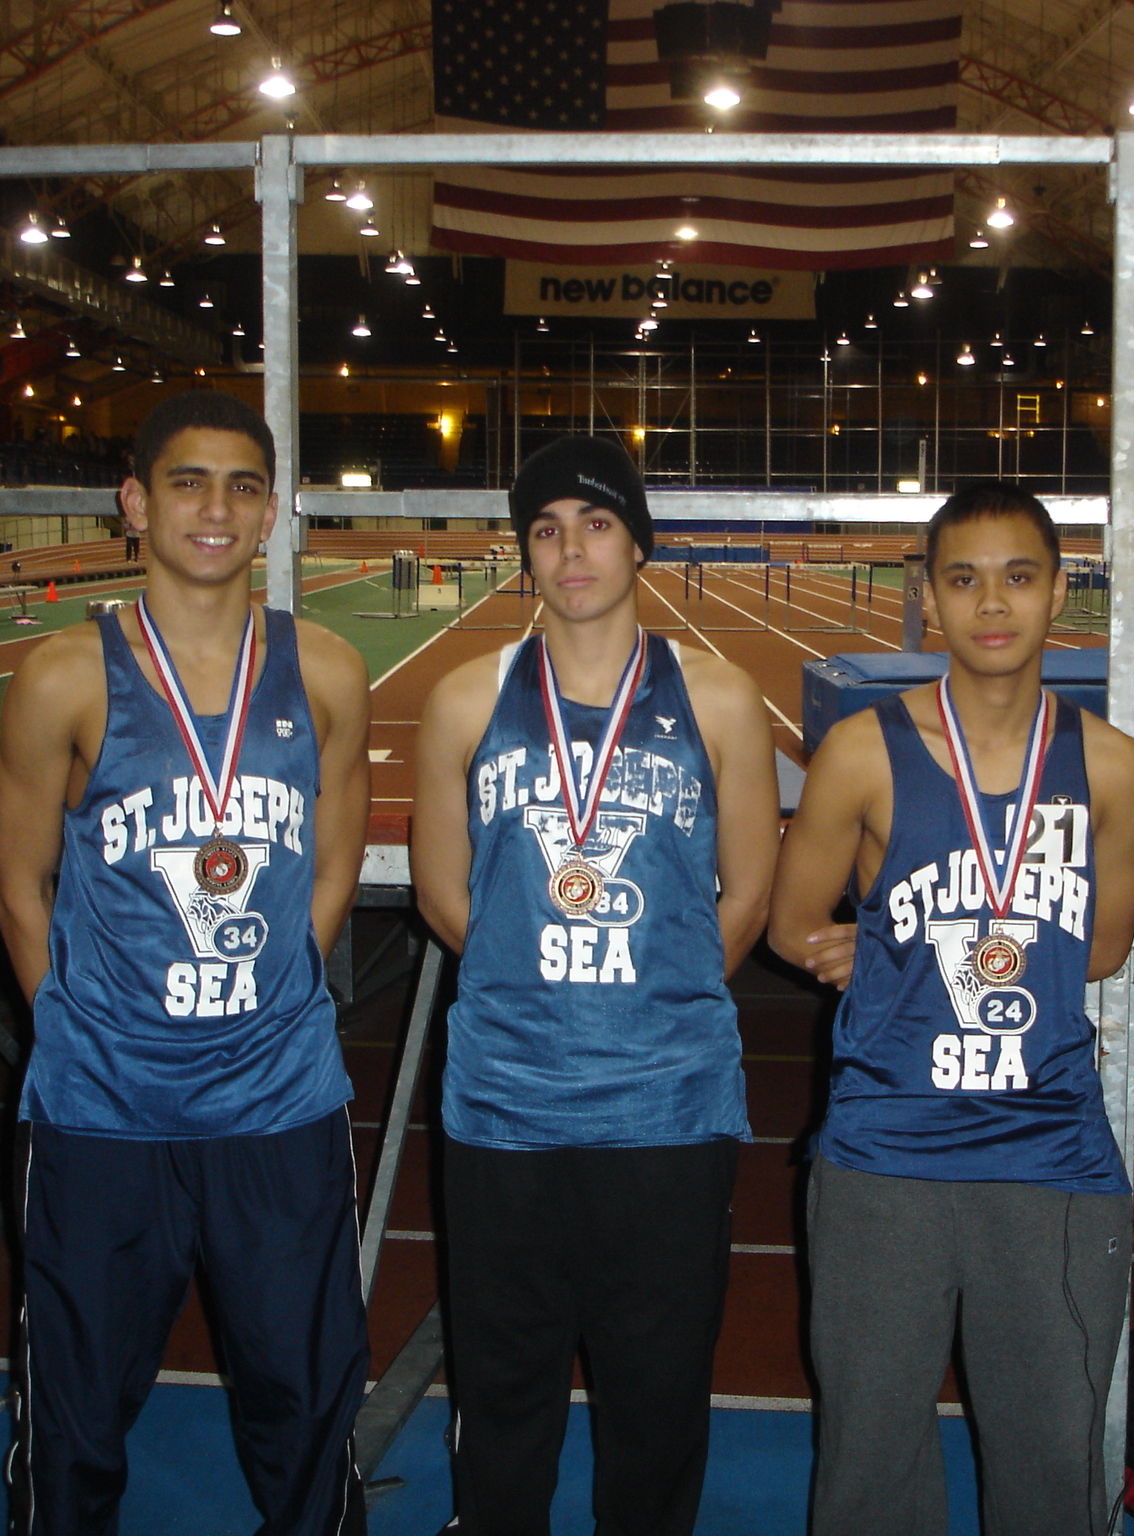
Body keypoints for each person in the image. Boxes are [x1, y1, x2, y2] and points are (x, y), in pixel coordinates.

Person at [0, 391, 372, 1536]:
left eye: (242, 486)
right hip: (103, 1111)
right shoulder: (64, 675)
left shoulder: (327, 671)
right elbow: (17, 884)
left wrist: (268, 1004)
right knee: (76, 1409)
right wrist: (77, 1028)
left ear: (272, 513)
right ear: (135, 502)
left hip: (279, 1103)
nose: (216, 508)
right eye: (188, 482)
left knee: (306, 1395)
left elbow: (334, 867)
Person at [410, 435, 779, 1536]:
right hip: (503, 1107)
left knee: (656, 1399)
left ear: (638, 544)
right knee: (502, 1392)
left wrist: (654, 994)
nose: (571, 550)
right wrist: (531, 984)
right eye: (547, 529)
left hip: (668, 1108)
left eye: (597, 524)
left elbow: (748, 895)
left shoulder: (719, 699)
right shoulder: (465, 700)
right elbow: (442, 895)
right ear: (525, 551)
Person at [769, 483, 1134, 1536]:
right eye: (964, 579)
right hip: (885, 1151)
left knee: (1052, 1464)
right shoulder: (862, 751)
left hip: (1050, 1155)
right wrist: (876, 946)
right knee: (869, 1460)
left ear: (1059, 592)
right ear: (927, 598)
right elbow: (789, 923)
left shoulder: (1111, 767)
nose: (991, 603)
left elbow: (1104, 947)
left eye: (1018, 577)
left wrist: (965, 936)